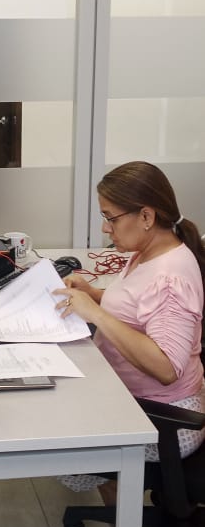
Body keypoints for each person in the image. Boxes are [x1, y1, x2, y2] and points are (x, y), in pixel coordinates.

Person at [54, 161, 205, 502]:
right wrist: (95, 295)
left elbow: (166, 367)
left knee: (57, 431)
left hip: (165, 420)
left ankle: (121, 510)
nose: (105, 228)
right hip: (138, 401)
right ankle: (116, 500)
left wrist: (96, 313)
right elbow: (139, 309)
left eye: (111, 218)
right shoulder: (148, 252)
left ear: (147, 217)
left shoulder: (171, 278)